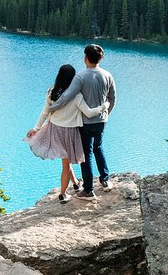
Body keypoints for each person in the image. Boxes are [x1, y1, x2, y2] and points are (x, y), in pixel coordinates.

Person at [25, 64, 109, 204]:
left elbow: (45, 112)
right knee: (66, 164)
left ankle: (76, 184)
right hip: (70, 132)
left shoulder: (51, 91)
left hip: (54, 130)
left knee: (66, 162)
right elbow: (88, 112)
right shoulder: (76, 95)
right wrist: (104, 107)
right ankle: (63, 195)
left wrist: (36, 128)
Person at [48, 44, 116, 201]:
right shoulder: (107, 75)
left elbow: (67, 96)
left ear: (85, 58)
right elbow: (112, 98)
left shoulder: (80, 76)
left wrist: (53, 107)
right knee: (98, 147)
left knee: (87, 153)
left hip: (85, 122)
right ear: (101, 58)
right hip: (101, 120)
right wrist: (106, 114)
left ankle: (88, 190)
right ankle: (105, 180)